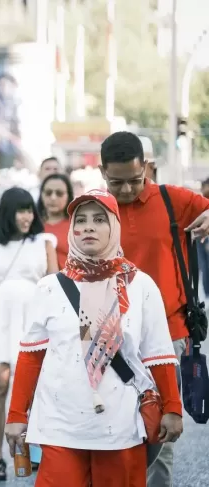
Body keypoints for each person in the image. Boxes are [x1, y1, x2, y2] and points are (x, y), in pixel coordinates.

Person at [5, 189, 183, 486]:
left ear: (115, 226)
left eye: (99, 220)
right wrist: (15, 415)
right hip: (60, 425)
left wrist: (173, 408)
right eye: (82, 220)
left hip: (120, 425)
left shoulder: (140, 285)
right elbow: (31, 356)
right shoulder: (49, 287)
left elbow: (158, 354)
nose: (89, 227)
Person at [99, 131, 209, 487]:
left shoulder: (170, 198)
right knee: (112, 420)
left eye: (134, 180)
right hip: (109, 334)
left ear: (145, 167)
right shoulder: (95, 207)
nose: (127, 190)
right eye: (117, 182)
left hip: (170, 332)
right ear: (102, 172)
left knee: (161, 424)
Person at [0, 187, 58, 481]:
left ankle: (31, 449)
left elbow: (54, 284)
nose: (27, 216)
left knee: (32, 389)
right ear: (8, 212)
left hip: (34, 322)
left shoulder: (44, 242)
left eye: (29, 210)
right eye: (20, 210)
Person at [37, 173, 74, 269]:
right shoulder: (32, 225)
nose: (53, 198)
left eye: (59, 193)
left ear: (68, 195)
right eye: (48, 193)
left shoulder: (77, 225)